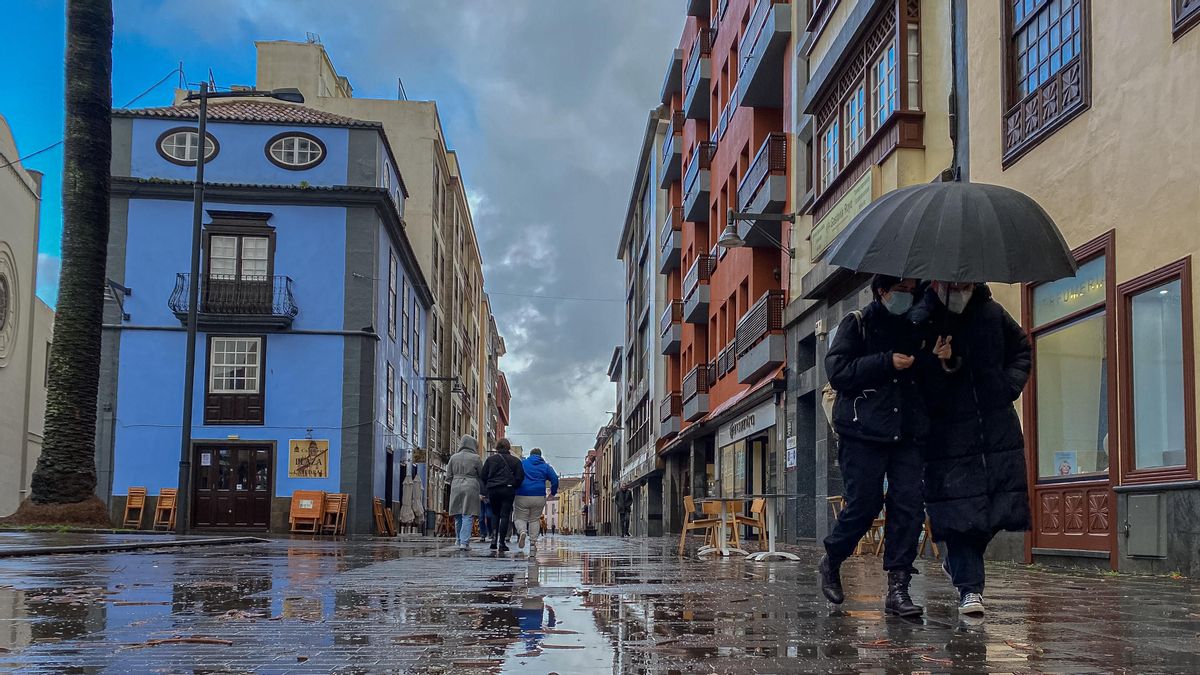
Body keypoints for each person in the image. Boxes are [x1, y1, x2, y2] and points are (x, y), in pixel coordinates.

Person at [914, 280, 1031, 617]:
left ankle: (957, 563)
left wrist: (1007, 385)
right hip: (947, 434)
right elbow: (914, 376)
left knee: (997, 510)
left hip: (996, 429)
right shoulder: (923, 317)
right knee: (960, 514)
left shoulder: (992, 313)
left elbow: (1022, 348)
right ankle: (970, 589)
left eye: (965, 278)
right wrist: (941, 363)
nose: (959, 285)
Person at [818, 275, 932, 617]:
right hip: (862, 431)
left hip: (907, 432)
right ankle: (832, 558)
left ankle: (898, 589)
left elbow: (926, 377)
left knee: (909, 508)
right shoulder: (857, 323)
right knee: (864, 505)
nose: (908, 297)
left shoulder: (917, 326)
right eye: (901, 291)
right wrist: (885, 361)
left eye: (913, 292)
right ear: (882, 291)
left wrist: (938, 358)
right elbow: (838, 372)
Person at [480, 438, 525, 552]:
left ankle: (493, 539)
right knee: (505, 515)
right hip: (508, 490)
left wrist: (486, 490)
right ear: (508, 447)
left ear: (497, 447)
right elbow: (520, 477)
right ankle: (502, 542)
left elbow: (483, 476)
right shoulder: (516, 461)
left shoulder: (490, 460)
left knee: (495, 514)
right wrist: (513, 485)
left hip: (493, 490)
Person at [513, 448, 559, 552]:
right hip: (538, 495)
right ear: (540, 455)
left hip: (521, 494)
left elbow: (514, 476)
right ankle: (533, 543)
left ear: (530, 454)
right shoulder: (546, 466)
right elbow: (555, 479)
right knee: (534, 519)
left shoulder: (522, 463)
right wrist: (552, 493)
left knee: (519, 517)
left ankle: (522, 532)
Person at [446, 435, 483, 551]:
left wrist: (455, 481)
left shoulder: (453, 458)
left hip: (456, 485)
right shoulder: (476, 458)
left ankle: (458, 539)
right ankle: (464, 542)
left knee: (458, 515)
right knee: (468, 514)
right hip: (471, 485)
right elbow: (482, 474)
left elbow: (448, 476)